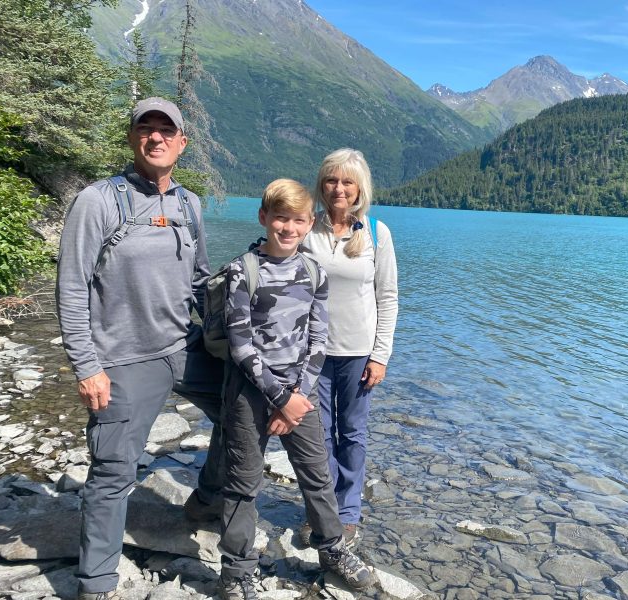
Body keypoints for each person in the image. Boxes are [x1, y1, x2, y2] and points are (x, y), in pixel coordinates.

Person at [56, 97, 225, 600]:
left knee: (245, 415)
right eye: (145, 129)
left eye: (166, 131)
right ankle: (96, 584)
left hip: (186, 347)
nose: (156, 138)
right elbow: (71, 287)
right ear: (132, 139)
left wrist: (240, 326)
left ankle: (207, 501)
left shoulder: (189, 205)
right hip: (124, 359)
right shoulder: (99, 200)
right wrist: (87, 366)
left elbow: (200, 283)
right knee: (113, 471)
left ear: (182, 143)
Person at [216, 179, 373, 599]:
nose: (288, 228)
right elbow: (240, 343)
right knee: (243, 483)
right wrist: (281, 398)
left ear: (309, 225)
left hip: (299, 391)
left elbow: (319, 339)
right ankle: (235, 571)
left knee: (316, 475)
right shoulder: (242, 270)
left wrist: (299, 393)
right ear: (264, 217)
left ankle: (332, 548)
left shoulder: (313, 271)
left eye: (298, 220)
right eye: (280, 217)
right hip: (251, 392)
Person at [300, 148, 398, 547]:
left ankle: (349, 510)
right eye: (331, 180)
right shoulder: (307, 229)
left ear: (360, 188)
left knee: (352, 434)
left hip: (358, 352)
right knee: (318, 436)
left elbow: (388, 296)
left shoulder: (376, 232)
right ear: (322, 185)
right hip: (312, 353)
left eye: (347, 181)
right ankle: (323, 511)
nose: (338, 189)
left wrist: (381, 355)